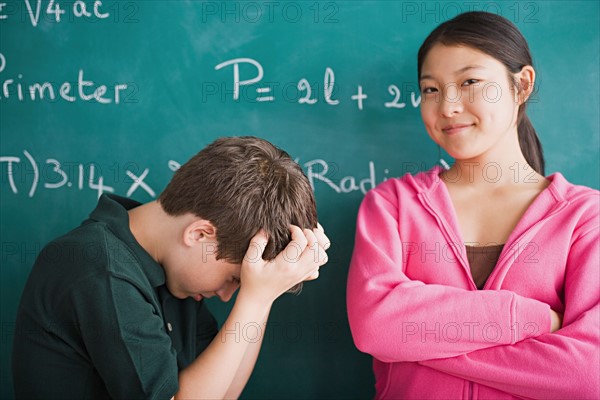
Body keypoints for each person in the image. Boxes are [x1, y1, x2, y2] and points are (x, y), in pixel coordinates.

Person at [347, 11, 599, 399]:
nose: (447, 106)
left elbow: (586, 373)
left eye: (470, 82)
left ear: (522, 85)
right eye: (431, 89)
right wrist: (533, 319)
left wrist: (413, 341)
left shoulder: (586, 217)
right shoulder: (392, 205)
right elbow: (374, 326)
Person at [12, 136, 330, 399]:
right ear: (200, 235)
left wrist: (264, 294)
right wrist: (255, 300)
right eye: (236, 279)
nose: (226, 295)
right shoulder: (100, 269)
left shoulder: (174, 272)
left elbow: (223, 393)